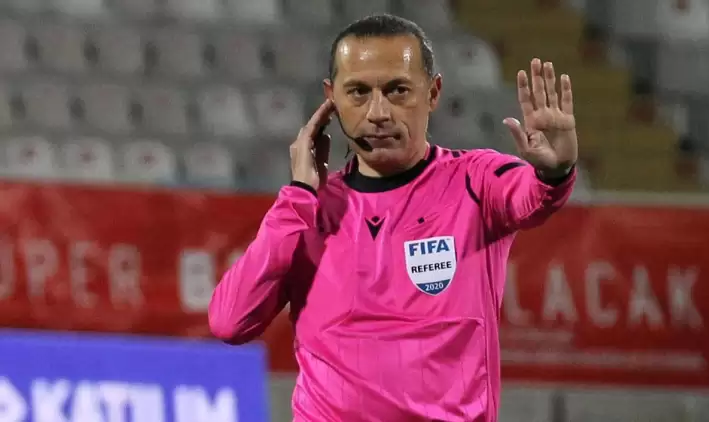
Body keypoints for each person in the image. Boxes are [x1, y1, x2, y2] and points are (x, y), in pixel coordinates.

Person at [209, 14, 578, 422]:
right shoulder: (305, 211)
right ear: (331, 99)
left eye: (398, 90)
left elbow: (533, 197)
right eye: (358, 92)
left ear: (433, 92)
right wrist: (297, 194)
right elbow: (230, 322)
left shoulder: (477, 181)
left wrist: (554, 172)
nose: (378, 112)